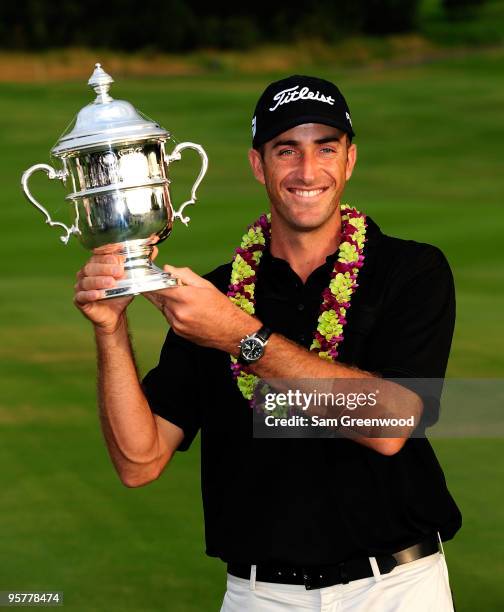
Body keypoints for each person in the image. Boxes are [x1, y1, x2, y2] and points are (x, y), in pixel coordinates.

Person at [74, 75, 462, 611]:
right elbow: (139, 462)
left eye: (325, 149)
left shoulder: (411, 271)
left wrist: (239, 335)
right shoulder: (216, 294)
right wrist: (110, 329)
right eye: (287, 150)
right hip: (260, 596)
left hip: (396, 588)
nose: (307, 171)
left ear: (349, 160)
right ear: (259, 165)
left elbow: (391, 424)